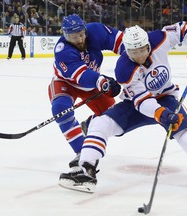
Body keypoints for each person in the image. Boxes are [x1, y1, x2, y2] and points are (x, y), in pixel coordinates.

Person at [59, 22, 187, 196]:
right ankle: (86, 172)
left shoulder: (159, 38)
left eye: (143, 49)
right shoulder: (124, 68)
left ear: (147, 44)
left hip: (166, 98)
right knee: (101, 124)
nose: (140, 55)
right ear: (126, 50)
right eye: (134, 52)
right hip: (135, 105)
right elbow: (142, 100)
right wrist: (161, 114)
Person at [48, 14, 124, 186]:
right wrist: (102, 81)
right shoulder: (63, 50)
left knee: (115, 120)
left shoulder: (95, 31)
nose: (80, 39)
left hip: (92, 85)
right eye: (74, 37)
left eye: (81, 34)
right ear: (66, 36)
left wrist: (134, 60)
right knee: (60, 109)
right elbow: (81, 76)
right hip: (66, 82)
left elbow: (121, 41)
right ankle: (82, 153)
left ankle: (90, 124)